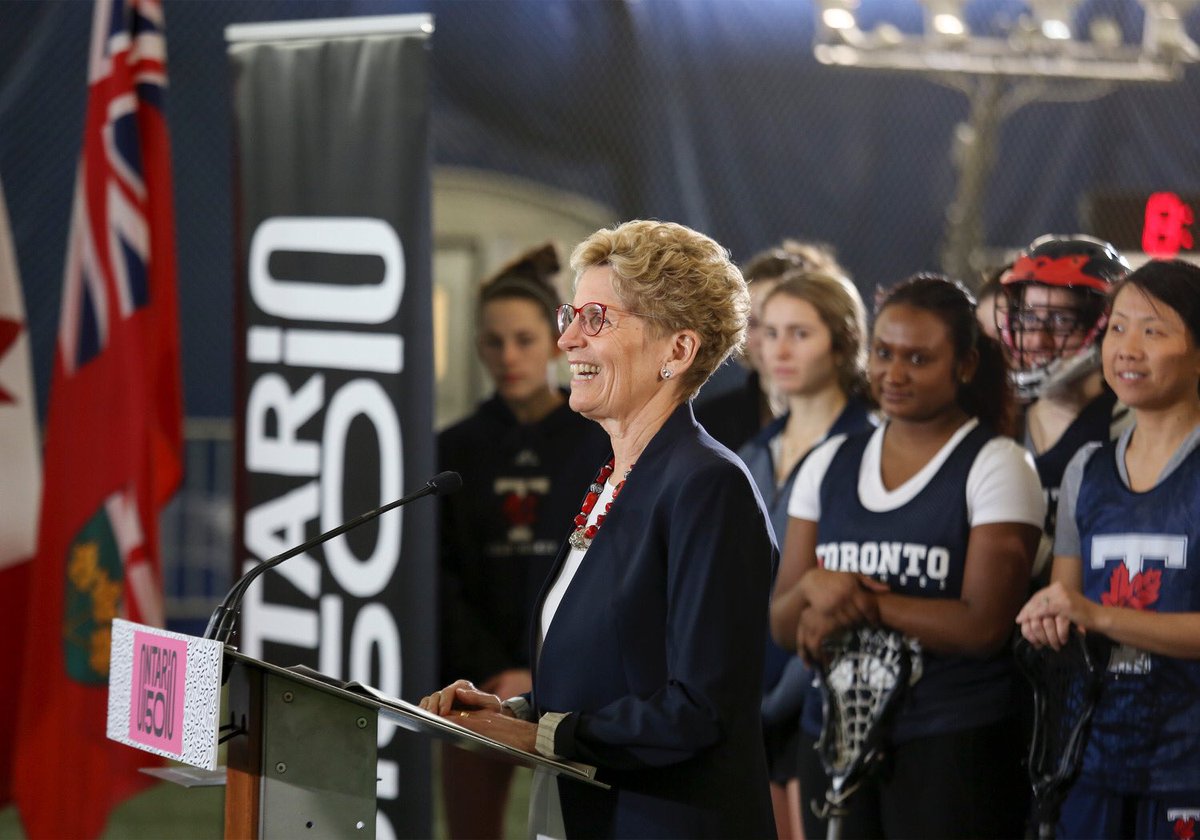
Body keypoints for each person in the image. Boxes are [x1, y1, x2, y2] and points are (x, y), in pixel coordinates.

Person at [422, 220, 778, 839]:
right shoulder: (614, 477)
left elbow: (699, 708)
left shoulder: (707, 486)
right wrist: (510, 710)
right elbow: (614, 673)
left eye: (596, 319)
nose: (566, 341)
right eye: (571, 314)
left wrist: (537, 733)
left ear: (677, 351)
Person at [771, 274, 1044, 839]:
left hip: (951, 739)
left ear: (965, 366)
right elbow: (780, 622)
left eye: (918, 358)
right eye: (884, 353)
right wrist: (810, 591)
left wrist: (852, 597)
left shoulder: (997, 464)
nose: (894, 374)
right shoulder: (829, 462)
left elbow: (982, 625)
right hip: (832, 736)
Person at [1017, 260, 1200, 840]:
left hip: (1187, 765)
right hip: (1091, 758)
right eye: (1118, 328)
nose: (1128, 348)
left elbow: (1090, 610)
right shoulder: (1087, 469)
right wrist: (1048, 618)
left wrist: (1096, 614)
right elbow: (1068, 604)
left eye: (1154, 330)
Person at [437, 243, 609, 839]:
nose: (508, 356)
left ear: (556, 341)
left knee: (571, 825)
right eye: (493, 341)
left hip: (573, 684)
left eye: (524, 340)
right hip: (472, 682)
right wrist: (492, 672)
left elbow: (601, 575)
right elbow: (442, 577)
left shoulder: (596, 438)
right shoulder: (453, 448)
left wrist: (540, 675)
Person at [737, 269, 875, 840]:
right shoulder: (751, 452)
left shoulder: (871, 447)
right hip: (746, 690)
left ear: (842, 341)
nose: (780, 349)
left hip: (825, 692)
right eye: (769, 332)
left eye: (800, 333)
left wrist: (776, 701)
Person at [997, 234, 1132, 579]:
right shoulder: (999, 416)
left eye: (1061, 321)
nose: (1038, 340)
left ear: (1102, 327)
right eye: (1028, 318)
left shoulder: (1130, 424)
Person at [697, 239, 844, 452]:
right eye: (756, 324)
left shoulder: (870, 424)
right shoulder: (711, 424)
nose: (775, 344)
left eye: (797, 330)